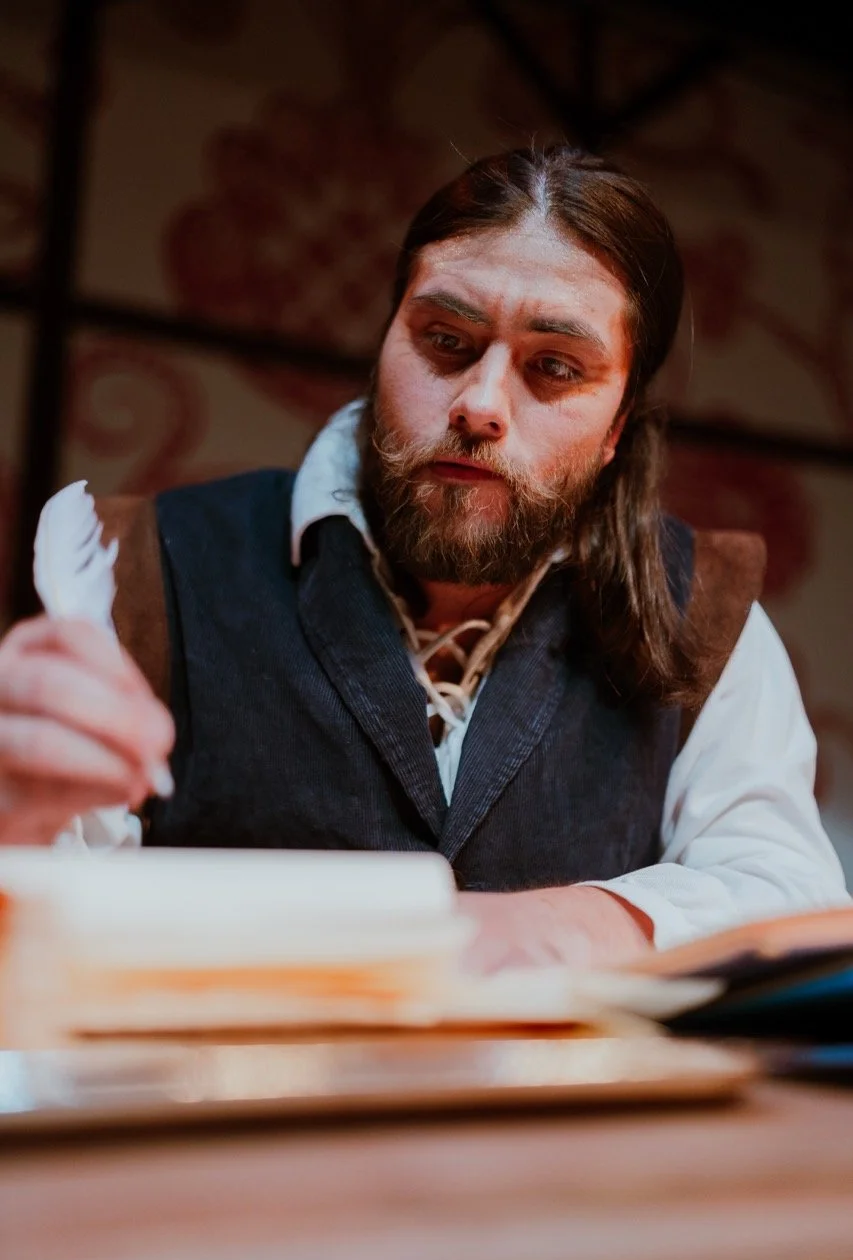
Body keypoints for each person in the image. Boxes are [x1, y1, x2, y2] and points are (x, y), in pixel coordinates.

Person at [0, 144, 848, 972]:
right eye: (444, 340)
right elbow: (45, 912)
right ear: (386, 342)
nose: (479, 405)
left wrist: (585, 921)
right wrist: (19, 818)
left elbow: (790, 895)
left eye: (553, 367)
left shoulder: (705, 614)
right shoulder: (143, 571)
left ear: (615, 431)